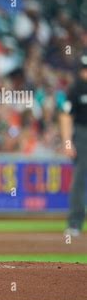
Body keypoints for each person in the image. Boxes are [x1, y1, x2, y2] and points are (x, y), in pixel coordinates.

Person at [59, 54, 87, 238]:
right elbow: (65, 116)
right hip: (82, 133)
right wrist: (68, 142)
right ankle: (75, 223)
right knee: (79, 178)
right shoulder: (76, 88)